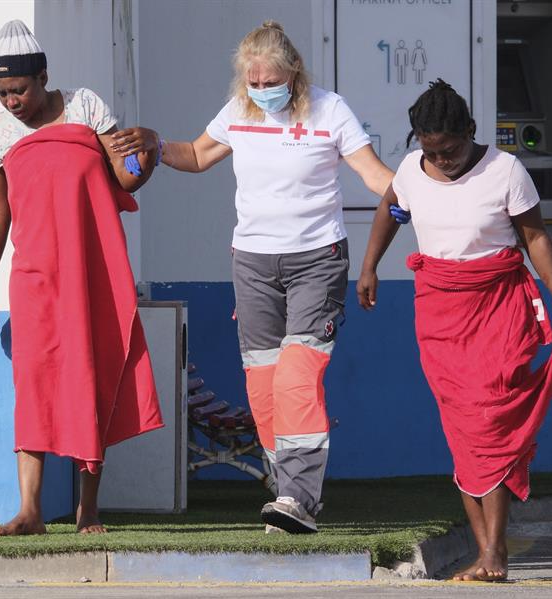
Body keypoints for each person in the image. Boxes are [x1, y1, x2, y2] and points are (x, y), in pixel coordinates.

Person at [111, 21, 393, 534]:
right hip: (253, 264)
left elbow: (376, 177)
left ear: (294, 73)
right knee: (263, 387)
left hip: (317, 260)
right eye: (253, 82)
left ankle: (299, 500)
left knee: (295, 376)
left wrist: (426, 191)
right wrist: (154, 141)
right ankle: (287, 492)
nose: (262, 90)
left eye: (270, 81)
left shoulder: (330, 111)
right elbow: (196, 155)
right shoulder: (240, 110)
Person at [357, 79, 552, 580]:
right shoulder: (413, 173)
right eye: (430, 150)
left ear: (471, 132)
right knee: (463, 430)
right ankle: (488, 554)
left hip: (500, 309)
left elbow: (536, 237)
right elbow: (390, 212)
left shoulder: (506, 171)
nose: (441, 160)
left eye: (450, 149)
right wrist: (370, 265)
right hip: (438, 313)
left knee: (489, 420)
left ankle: (493, 553)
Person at [0, 20, 163, 536]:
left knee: (88, 374)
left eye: (19, 89)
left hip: (91, 272)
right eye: (2, 92)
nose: (11, 101)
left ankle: (88, 508)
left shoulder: (85, 106)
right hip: (33, 278)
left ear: (44, 77)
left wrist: (151, 151)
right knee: (32, 384)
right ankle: (29, 511)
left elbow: (125, 175)